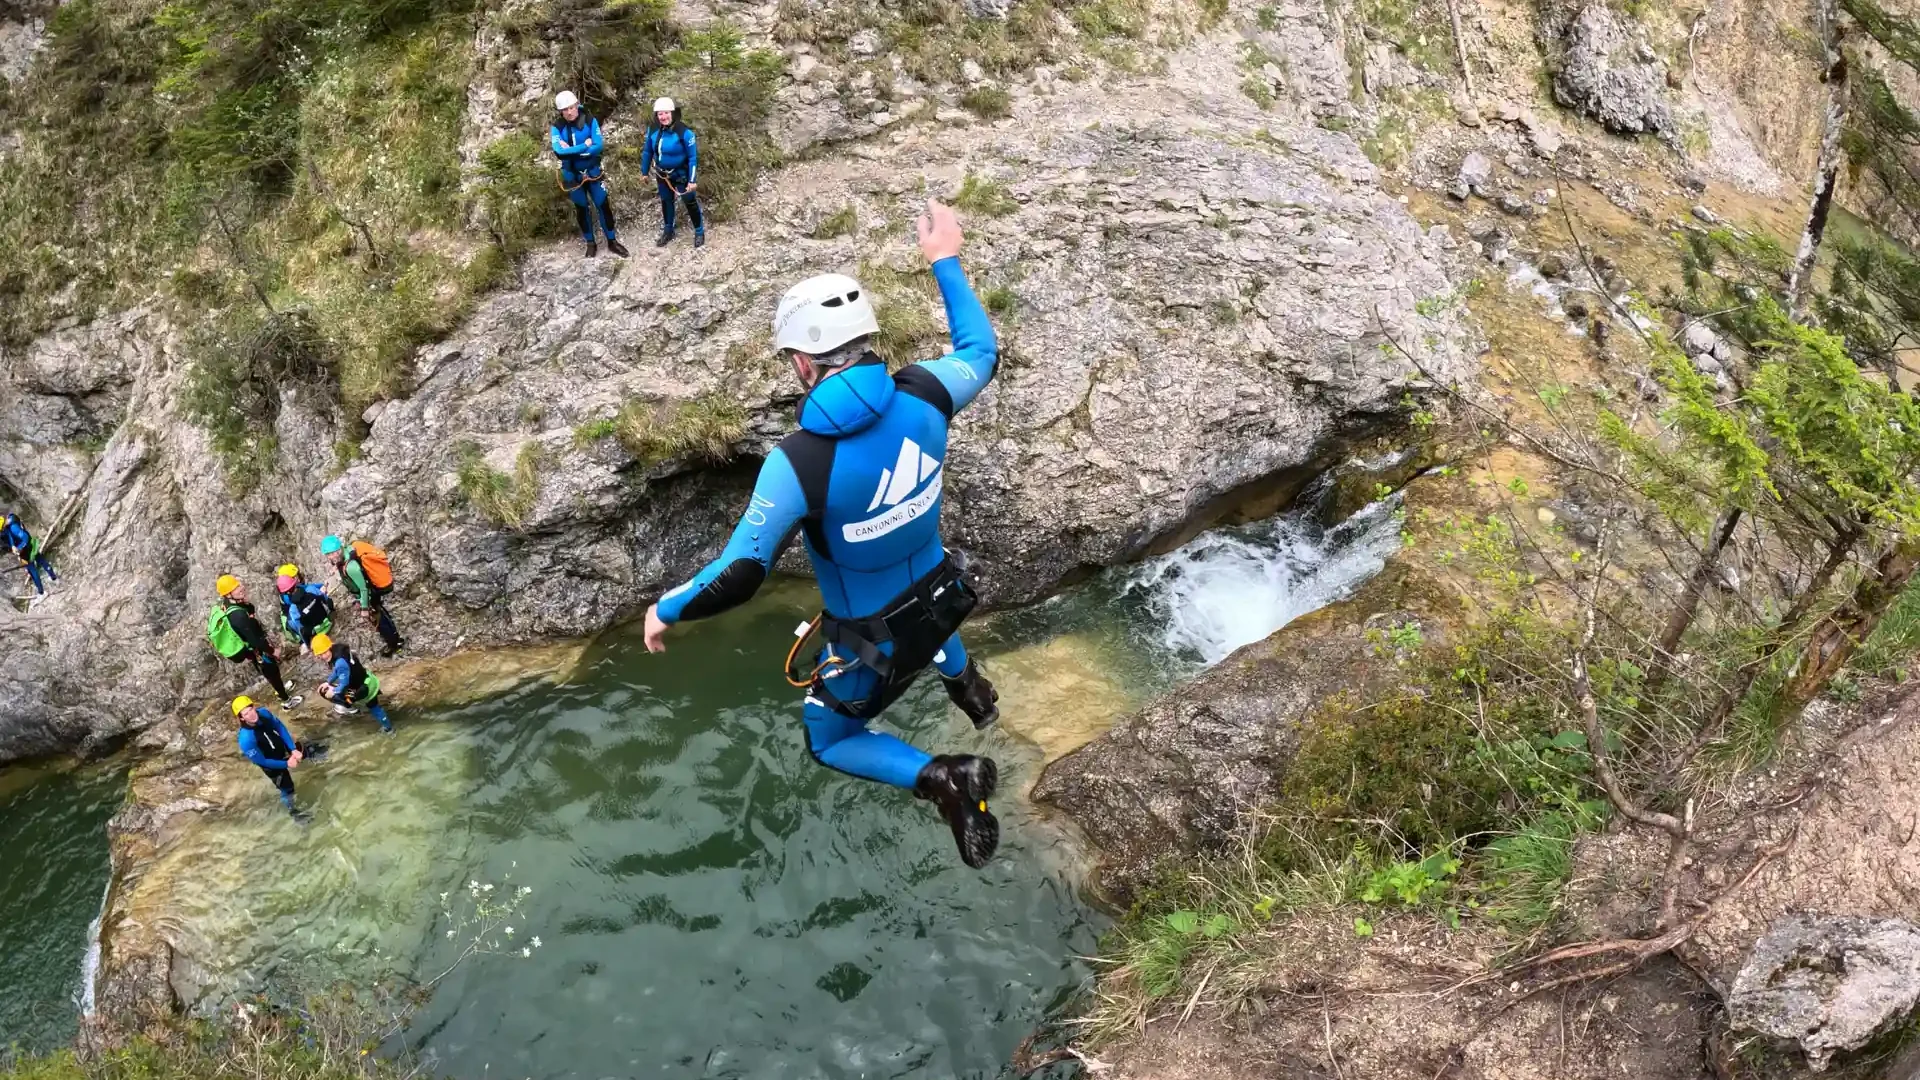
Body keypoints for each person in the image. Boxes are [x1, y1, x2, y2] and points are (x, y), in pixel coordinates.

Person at [642, 200, 1003, 867]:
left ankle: (944, 777)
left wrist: (663, 610)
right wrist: (944, 259)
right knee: (929, 608)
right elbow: (980, 349)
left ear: (804, 366)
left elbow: (740, 574)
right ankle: (974, 694)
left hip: (873, 642)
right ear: (866, 341)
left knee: (829, 738)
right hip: (943, 594)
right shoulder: (927, 392)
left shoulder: (797, 462)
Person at [550, 90, 629, 259]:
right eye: (565, 109)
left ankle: (612, 241)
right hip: (572, 175)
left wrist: (571, 151)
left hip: (592, 170)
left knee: (603, 204)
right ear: (561, 111)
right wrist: (584, 146)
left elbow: (598, 145)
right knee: (581, 208)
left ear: (577, 105)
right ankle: (590, 243)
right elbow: (558, 151)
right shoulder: (557, 128)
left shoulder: (589, 120)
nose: (570, 112)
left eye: (572, 107)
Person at [208, 575, 304, 708]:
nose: (241, 587)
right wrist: (272, 651)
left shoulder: (227, 605)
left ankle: (280, 689)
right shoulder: (238, 616)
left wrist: (247, 604)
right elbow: (255, 641)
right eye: (236, 588)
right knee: (272, 671)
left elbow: (250, 612)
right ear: (228, 594)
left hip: (252, 649)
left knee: (270, 672)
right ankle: (286, 701)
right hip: (257, 649)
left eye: (238, 585)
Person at [233, 695, 325, 821]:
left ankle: (316, 756)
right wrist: (286, 764)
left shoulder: (264, 714)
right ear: (241, 718)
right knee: (288, 789)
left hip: (281, 746)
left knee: (305, 750)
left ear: (254, 707)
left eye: (251, 709)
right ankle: (294, 813)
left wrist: (292, 749)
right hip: (272, 763)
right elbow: (262, 761)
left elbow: (280, 727)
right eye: (246, 714)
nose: (251, 714)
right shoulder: (246, 739)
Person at [320, 535, 404, 657]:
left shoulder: (351, 567)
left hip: (369, 593)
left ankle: (394, 644)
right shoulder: (348, 552)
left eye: (332, 553)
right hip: (371, 590)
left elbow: (363, 589)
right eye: (328, 554)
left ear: (339, 549)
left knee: (379, 620)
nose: (331, 557)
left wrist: (364, 608)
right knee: (381, 613)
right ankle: (396, 639)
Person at [641, 97, 704, 250]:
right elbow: (648, 151)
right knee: (666, 201)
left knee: (689, 201)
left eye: (666, 113)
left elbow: (692, 158)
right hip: (662, 174)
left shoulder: (685, 133)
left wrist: (692, 180)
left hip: (681, 173)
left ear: (673, 113)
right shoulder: (653, 129)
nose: (663, 117)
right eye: (660, 114)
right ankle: (668, 230)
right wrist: (644, 172)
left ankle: (699, 231)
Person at [314, 633, 393, 732]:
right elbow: (338, 671)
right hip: (366, 678)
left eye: (324, 652)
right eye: (321, 654)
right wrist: (328, 682)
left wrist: (333, 691)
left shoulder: (340, 663)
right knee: (373, 702)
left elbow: (344, 684)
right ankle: (383, 702)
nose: (323, 656)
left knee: (373, 708)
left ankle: (388, 728)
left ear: (329, 647)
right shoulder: (339, 650)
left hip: (363, 688)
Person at [275, 569, 335, 655]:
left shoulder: (293, 609)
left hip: (317, 632)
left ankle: (307, 643)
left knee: (292, 624)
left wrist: (307, 644)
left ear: (286, 593)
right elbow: (325, 599)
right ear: (295, 584)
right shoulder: (311, 589)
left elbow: (301, 629)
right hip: (327, 620)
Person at [4, 511, 57, 604]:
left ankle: (41, 593)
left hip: (26, 551)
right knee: (41, 561)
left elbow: (25, 537)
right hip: (32, 546)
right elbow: (13, 537)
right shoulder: (12, 518)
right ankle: (54, 578)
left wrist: (19, 549)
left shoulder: (13, 528)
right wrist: (13, 545)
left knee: (32, 571)